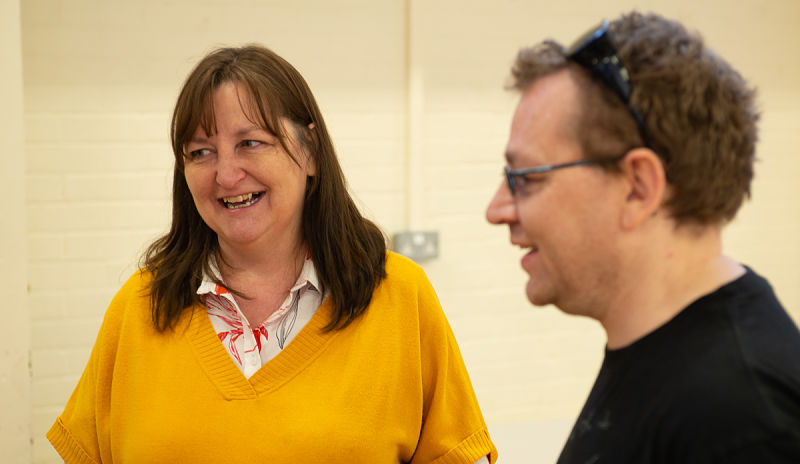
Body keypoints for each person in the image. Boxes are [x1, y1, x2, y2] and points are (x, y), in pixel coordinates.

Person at [48, 45, 497, 464]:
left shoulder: (399, 297)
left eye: (251, 143)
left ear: (311, 151)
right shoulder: (140, 306)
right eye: (201, 152)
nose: (225, 175)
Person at [486, 11, 800, 463]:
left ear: (637, 187)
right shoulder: (656, 353)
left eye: (526, 179)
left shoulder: (743, 421)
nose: (496, 210)